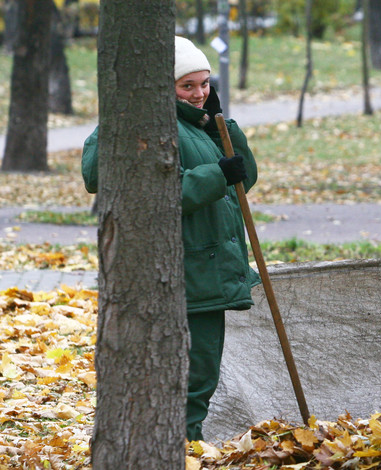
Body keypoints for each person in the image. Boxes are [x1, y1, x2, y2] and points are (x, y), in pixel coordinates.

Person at [81, 36, 261, 442]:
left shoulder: (198, 124)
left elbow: (242, 181)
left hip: (208, 266)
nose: (199, 94)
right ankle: (182, 449)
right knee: (192, 376)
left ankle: (184, 447)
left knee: (202, 372)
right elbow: (145, 192)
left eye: (204, 84)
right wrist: (217, 173)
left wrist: (223, 128)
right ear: (164, 86)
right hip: (184, 268)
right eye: (187, 86)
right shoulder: (146, 122)